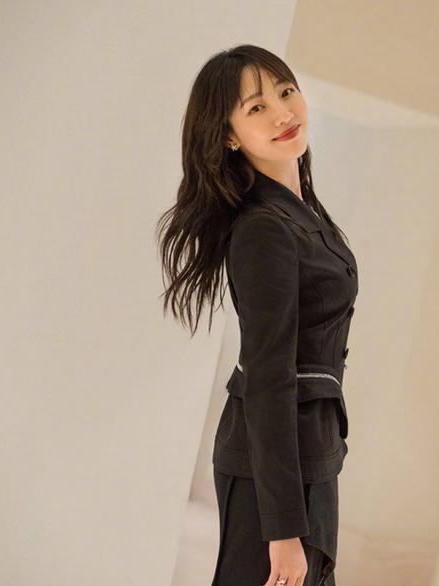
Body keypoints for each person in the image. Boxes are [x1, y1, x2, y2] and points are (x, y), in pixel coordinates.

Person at [156, 44, 359, 585]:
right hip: (272, 469)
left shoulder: (301, 212)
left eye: (286, 92)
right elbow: (269, 376)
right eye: (256, 108)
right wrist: (283, 531)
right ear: (229, 136)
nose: (282, 114)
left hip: (308, 450)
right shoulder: (264, 228)